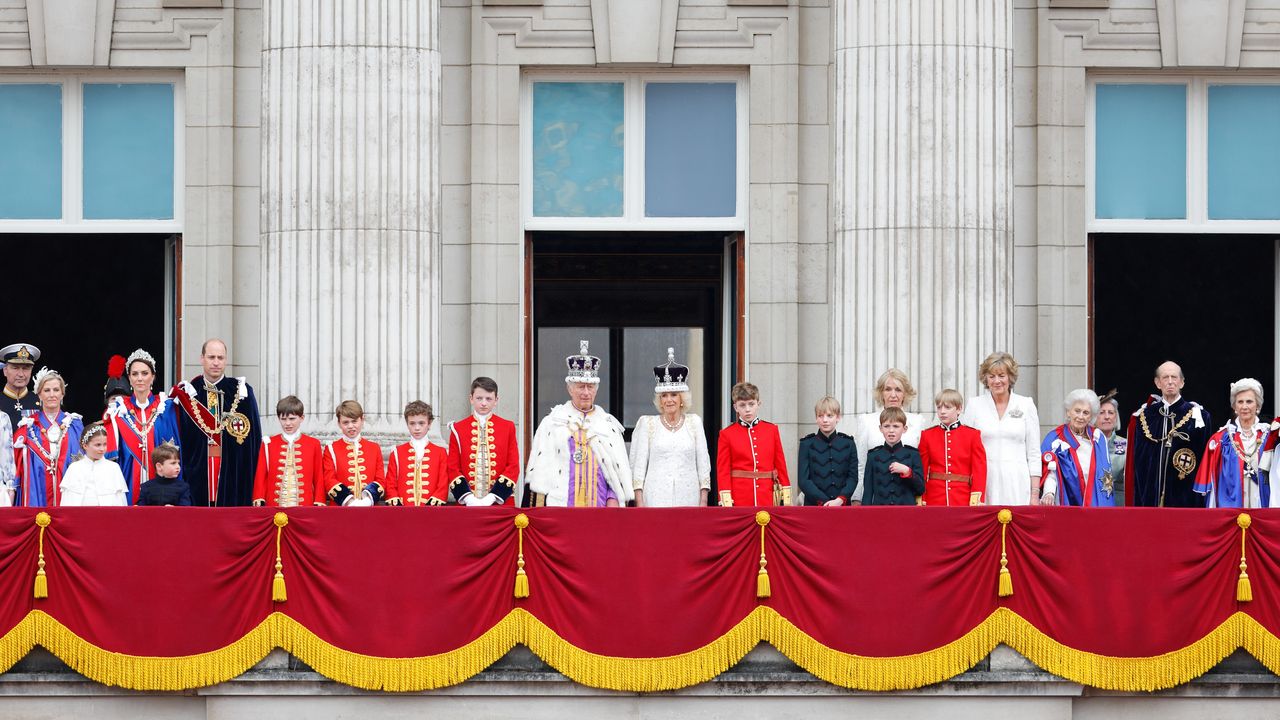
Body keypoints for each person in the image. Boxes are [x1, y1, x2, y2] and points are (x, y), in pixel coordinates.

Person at [526, 341, 632, 507]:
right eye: (580, 387)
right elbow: (540, 471)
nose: (585, 392)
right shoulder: (552, 423)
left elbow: (617, 470)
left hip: (600, 507)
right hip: (561, 506)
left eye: (590, 387)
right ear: (570, 389)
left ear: (596, 390)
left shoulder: (608, 425)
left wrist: (614, 499)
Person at [171, 339, 263, 507]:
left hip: (232, 469)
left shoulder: (242, 392)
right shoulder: (189, 393)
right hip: (197, 470)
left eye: (220, 358)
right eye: (211, 357)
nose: (216, 362)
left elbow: (254, 440)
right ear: (202, 359)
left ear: (226, 360)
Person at [630, 348, 711, 507]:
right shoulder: (648, 424)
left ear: (682, 398)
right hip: (655, 498)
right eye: (664, 396)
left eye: (673, 395)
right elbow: (638, 468)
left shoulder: (694, 423)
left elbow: (703, 463)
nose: (669, 400)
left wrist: (703, 499)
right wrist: (640, 504)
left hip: (688, 497)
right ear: (659, 400)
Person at [1125, 361, 1212, 508]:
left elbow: (1206, 462)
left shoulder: (1200, 417)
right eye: (1165, 378)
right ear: (1158, 383)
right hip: (1149, 498)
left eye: (1174, 377)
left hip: (1186, 497)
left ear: (1182, 382)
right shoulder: (1143, 417)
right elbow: (1137, 463)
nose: (1170, 382)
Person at [105, 348, 184, 506]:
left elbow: (176, 449)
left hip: (161, 482)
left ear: (153, 377)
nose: (140, 378)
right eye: (135, 374)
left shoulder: (166, 407)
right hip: (128, 478)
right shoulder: (118, 410)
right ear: (129, 378)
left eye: (144, 373)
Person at [964, 352, 1042, 506]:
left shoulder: (1026, 404)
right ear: (985, 378)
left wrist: (1035, 493)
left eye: (1001, 375)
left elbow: (1033, 452)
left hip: (1017, 481)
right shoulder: (974, 405)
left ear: (1010, 377)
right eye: (991, 376)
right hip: (984, 481)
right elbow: (966, 450)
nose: (997, 381)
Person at [843, 369, 928, 506]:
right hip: (878, 498)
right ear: (881, 393)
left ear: (905, 394)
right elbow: (861, 464)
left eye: (898, 390)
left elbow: (921, 465)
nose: (893, 395)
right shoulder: (867, 421)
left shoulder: (917, 421)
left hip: (908, 498)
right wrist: (857, 497)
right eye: (888, 389)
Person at [1194, 378, 1277, 509]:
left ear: (1258, 406)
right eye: (1240, 402)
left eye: (1249, 401)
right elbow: (1211, 484)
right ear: (1234, 407)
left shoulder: (1270, 437)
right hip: (1231, 510)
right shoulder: (1221, 439)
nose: (1244, 406)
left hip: (1262, 507)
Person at [13, 368, 84, 507]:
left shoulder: (75, 425)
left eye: (56, 390)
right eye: (47, 390)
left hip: (69, 495)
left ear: (62, 393)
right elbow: (15, 467)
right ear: (39, 394)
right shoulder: (27, 427)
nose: (52, 395)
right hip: (37, 492)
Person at [716, 381, 791, 507]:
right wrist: (726, 500)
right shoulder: (726, 434)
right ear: (735, 408)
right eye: (742, 405)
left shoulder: (771, 430)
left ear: (758, 404)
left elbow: (780, 465)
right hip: (740, 497)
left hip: (767, 496)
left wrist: (786, 495)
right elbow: (723, 471)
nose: (747, 409)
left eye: (751, 404)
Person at [447, 377, 519, 507]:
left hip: (499, 503)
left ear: (496, 400)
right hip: (467, 504)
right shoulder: (457, 428)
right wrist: (468, 497)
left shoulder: (507, 427)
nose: (484, 403)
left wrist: (493, 496)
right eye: (479, 398)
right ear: (471, 399)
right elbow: (452, 467)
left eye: (489, 399)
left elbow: (513, 466)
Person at [1040, 389, 1115, 507]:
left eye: (1086, 413)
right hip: (1066, 503)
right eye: (1077, 411)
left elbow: (1105, 475)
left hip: (1094, 505)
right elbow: (1050, 472)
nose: (1081, 416)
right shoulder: (1054, 438)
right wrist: (1049, 493)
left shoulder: (1098, 438)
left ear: (1091, 417)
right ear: (1068, 412)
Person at [252, 396, 326, 507]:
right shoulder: (268, 444)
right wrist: (259, 498)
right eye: (283, 419)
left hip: (305, 506)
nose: (287, 423)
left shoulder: (313, 443)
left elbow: (319, 476)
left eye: (292, 419)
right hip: (274, 506)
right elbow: (261, 476)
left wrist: (319, 501)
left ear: (302, 418)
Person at [919, 389, 987, 506]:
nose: (942, 412)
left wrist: (976, 498)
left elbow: (979, 469)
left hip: (962, 497)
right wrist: (922, 497)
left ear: (959, 409)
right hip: (934, 497)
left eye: (947, 407)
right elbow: (922, 470)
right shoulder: (927, 435)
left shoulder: (972, 435)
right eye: (939, 407)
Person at [322, 400, 386, 506]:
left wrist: (367, 501)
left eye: (354, 421)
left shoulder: (374, 448)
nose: (351, 426)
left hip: (370, 509)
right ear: (339, 423)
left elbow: (381, 480)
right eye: (345, 422)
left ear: (362, 420)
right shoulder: (331, 449)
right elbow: (329, 479)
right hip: (341, 510)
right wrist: (350, 501)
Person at [796, 396, 858, 506]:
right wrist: (824, 501)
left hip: (842, 506)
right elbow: (803, 480)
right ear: (816, 418)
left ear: (838, 417)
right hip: (814, 506)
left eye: (829, 416)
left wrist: (839, 500)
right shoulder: (806, 444)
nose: (825, 420)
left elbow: (852, 478)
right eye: (820, 416)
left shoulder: (848, 444)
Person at [386, 401, 448, 506]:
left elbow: (443, 484)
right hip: (404, 513)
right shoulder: (397, 453)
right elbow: (390, 484)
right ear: (407, 424)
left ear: (429, 423)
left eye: (421, 423)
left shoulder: (440, 452)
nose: (417, 428)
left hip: (432, 513)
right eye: (412, 423)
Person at [861, 407, 924, 506]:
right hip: (880, 513)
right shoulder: (873, 456)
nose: (891, 430)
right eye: (886, 426)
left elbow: (921, 489)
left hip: (906, 513)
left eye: (896, 426)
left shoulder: (913, 455)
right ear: (880, 428)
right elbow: (868, 493)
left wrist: (907, 471)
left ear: (904, 429)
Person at [59, 422, 128, 506]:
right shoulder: (74, 468)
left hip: (107, 517)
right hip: (81, 517)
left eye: (105, 444)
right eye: (98, 445)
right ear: (85, 446)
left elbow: (121, 500)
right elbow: (67, 500)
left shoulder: (113, 468)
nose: (102, 449)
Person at [1095, 391, 1126, 506]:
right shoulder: (1086, 444)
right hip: (1093, 503)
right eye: (1101, 412)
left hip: (1119, 504)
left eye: (1111, 413)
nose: (1107, 417)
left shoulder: (1126, 444)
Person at [137, 442, 193, 506]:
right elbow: (141, 510)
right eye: (173, 463)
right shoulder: (146, 487)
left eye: (178, 463)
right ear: (159, 466)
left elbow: (186, 511)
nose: (178, 467)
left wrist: (175, 510)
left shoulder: (183, 487)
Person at [0, 343, 40, 428]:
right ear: (5, 371)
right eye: (15, 368)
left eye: (26, 368)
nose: (21, 374)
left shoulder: (40, 400)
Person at [102, 354, 131, 422]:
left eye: (122, 398)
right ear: (107, 402)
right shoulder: (99, 429)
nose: (118, 401)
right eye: (114, 398)